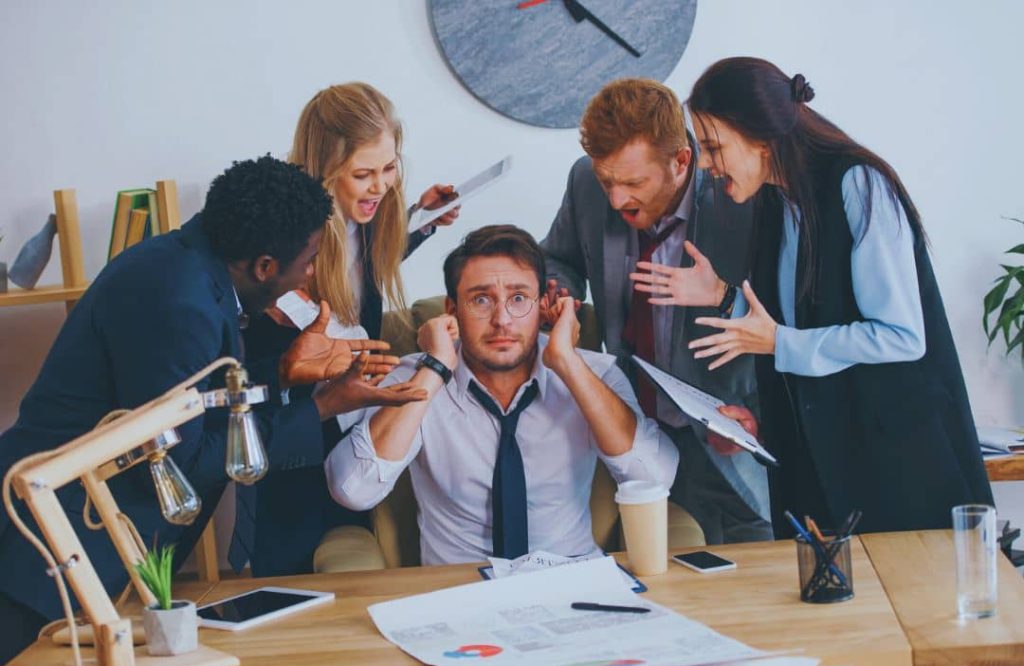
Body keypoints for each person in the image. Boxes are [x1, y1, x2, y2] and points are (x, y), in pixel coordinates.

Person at [0, 156, 425, 666]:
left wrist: (282, 371)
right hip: (43, 546)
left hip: (76, 532)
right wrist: (325, 407)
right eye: (308, 259)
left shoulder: (186, 266)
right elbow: (185, 457)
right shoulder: (181, 301)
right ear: (265, 266)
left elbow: (188, 399)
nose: (311, 272)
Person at [641, 57, 993, 534]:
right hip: (822, 467)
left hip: (896, 474)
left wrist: (779, 344)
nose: (706, 164)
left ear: (761, 138)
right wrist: (725, 297)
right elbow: (797, 325)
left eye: (713, 146)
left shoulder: (860, 184)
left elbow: (900, 336)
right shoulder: (773, 201)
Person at [326, 225, 679, 563]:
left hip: (573, 587)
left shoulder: (595, 374)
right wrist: (435, 369)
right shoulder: (415, 376)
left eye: (519, 298)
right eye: (481, 299)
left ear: (543, 305)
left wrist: (568, 364)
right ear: (452, 310)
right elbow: (353, 490)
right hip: (456, 594)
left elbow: (654, 477)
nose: (503, 320)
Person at [241, 82, 461, 577]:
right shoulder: (287, 245)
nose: (380, 186)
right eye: (363, 174)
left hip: (351, 422)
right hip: (296, 429)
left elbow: (362, 269)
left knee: (351, 542)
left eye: (389, 168)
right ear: (323, 172)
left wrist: (419, 221)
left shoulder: (365, 221)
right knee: (293, 564)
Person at [539, 78, 771, 544]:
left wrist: (759, 417)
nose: (616, 199)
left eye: (633, 183)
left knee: (758, 567)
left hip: (732, 428)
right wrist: (560, 291)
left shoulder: (744, 198)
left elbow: (788, 319)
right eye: (607, 180)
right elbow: (556, 258)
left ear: (682, 160)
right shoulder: (585, 182)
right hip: (638, 427)